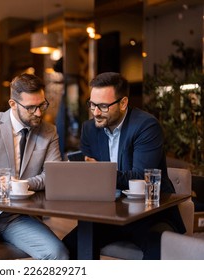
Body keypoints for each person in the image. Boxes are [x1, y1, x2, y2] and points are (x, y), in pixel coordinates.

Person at [62, 72, 186, 260]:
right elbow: (87, 178)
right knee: (68, 248)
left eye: (103, 106)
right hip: (108, 214)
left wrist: (98, 172)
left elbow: (140, 177)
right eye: (93, 104)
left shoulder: (146, 126)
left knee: (158, 249)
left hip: (150, 214)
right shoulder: (89, 129)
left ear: (123, 103)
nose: (95, 112)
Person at [0, 73, 69, 260]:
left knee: (57, 253)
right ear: (13, 104)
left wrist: (22, 184)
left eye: (42, 105)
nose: (39, 113)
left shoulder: (49, 132)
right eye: (31, 108)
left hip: (19, 216)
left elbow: (53, 175)